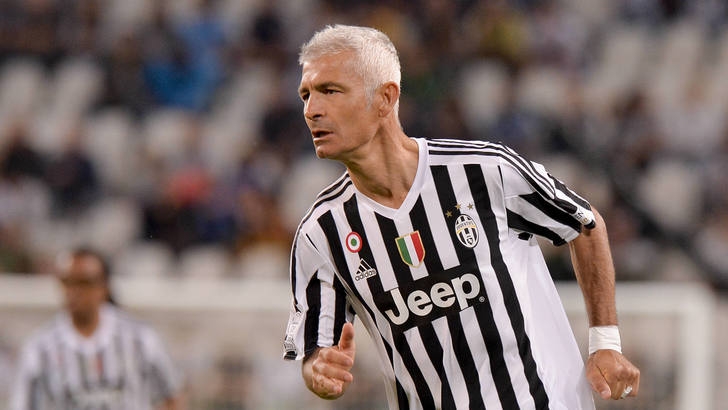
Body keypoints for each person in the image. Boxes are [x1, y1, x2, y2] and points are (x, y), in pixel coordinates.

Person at [282, 24, 640, 409]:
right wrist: (319, 372)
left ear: (385, 98)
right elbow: (316, 349)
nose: (311, 110)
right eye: (306, 95)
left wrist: (606, 343)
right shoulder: (321, 232)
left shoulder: (484, 171)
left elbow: (583, 224)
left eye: (330, 91)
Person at [10, 247, 182, 410]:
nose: (74, 292)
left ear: (104, 286)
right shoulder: (39, 349)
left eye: (84, 283)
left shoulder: (140, 339)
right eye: (67, 283)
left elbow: (172, 395)